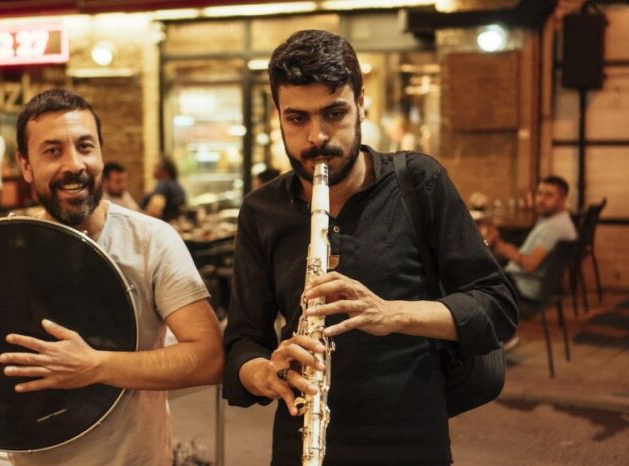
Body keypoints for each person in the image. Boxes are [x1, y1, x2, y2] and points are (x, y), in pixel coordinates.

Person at [222, 30, 518, 465]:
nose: (317, 137)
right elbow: (243, 340)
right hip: (300, 439)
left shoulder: (419, 181)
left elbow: (497, 307)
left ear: (362, 103)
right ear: (278, 115)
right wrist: (267, 372)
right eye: (297, 118)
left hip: (409, 440)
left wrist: (390, 313)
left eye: (334, 112)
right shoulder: (261, 209)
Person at [0, 89, 223, 466]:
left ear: (101, 154)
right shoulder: (4, 248)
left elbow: (209, 357)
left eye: (85, 146)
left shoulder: (151, 241)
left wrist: (95, 366)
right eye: (53, 151)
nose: (74, 164)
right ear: (25, 166)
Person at [481, 176, 577, 349]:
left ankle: (502, 336)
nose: (541, 199)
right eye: (539, 193)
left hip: (526, 290)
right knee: (484, 264)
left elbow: (530, 264)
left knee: (473, 277)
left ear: (563, 199)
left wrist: (497, 243)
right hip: (532, 284)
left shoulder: (553, 229)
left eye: (549, 195)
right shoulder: (561, 222)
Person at [143, 157, 185, 221]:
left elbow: (154, 211)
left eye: (156, 167)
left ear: (163, 170)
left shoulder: (163, 184)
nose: (153, 169)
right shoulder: (176, 185)